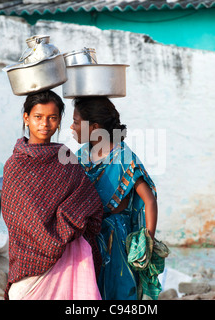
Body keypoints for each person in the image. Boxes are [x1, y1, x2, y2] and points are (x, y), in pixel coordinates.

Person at [1, 90, 103, 300]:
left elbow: (89, 202)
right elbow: (17, 218)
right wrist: (52, 236)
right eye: (38, 117)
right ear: (26, 118)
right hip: (29, 261)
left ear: (58, 122)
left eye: (52, 118)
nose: (45, 124)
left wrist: (65, 224)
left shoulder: (66, 158)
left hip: (70, 256)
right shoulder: (14, 166)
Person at [70, 96, 169, 300]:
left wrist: (146, 242)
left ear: (94, 127)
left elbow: (149, 199)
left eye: (77, 122)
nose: (72, 127)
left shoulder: (123, 157)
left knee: (118, 291)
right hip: (87, 236)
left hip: (115, 238)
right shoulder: (80, 156)